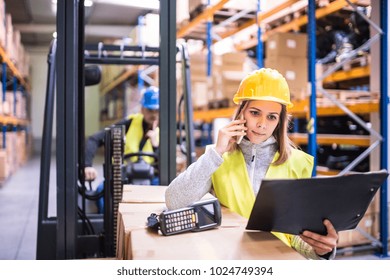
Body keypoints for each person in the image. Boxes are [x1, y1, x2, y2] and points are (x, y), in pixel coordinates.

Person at [165, 68, 338, 260]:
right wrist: (216, 153)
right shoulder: (218, 159)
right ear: (241, 113)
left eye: (272, 117)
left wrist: (319, 250)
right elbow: (174, 201)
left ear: (279, 122)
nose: (262, 124)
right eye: (255, 113)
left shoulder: (297, 163)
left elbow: (295, 238)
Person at [84, 86, 160, 213]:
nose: (153, 114)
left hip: (150, 178)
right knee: (101, 192)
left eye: (156, 110)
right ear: (142, 109)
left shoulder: (164, 130)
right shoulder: (129, 123)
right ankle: (109, 231)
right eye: (150, 110)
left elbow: (166, 166)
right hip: (125, 177)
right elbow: (94, 139)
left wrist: (155, 145)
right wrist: (87, 166)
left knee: (164, 194)